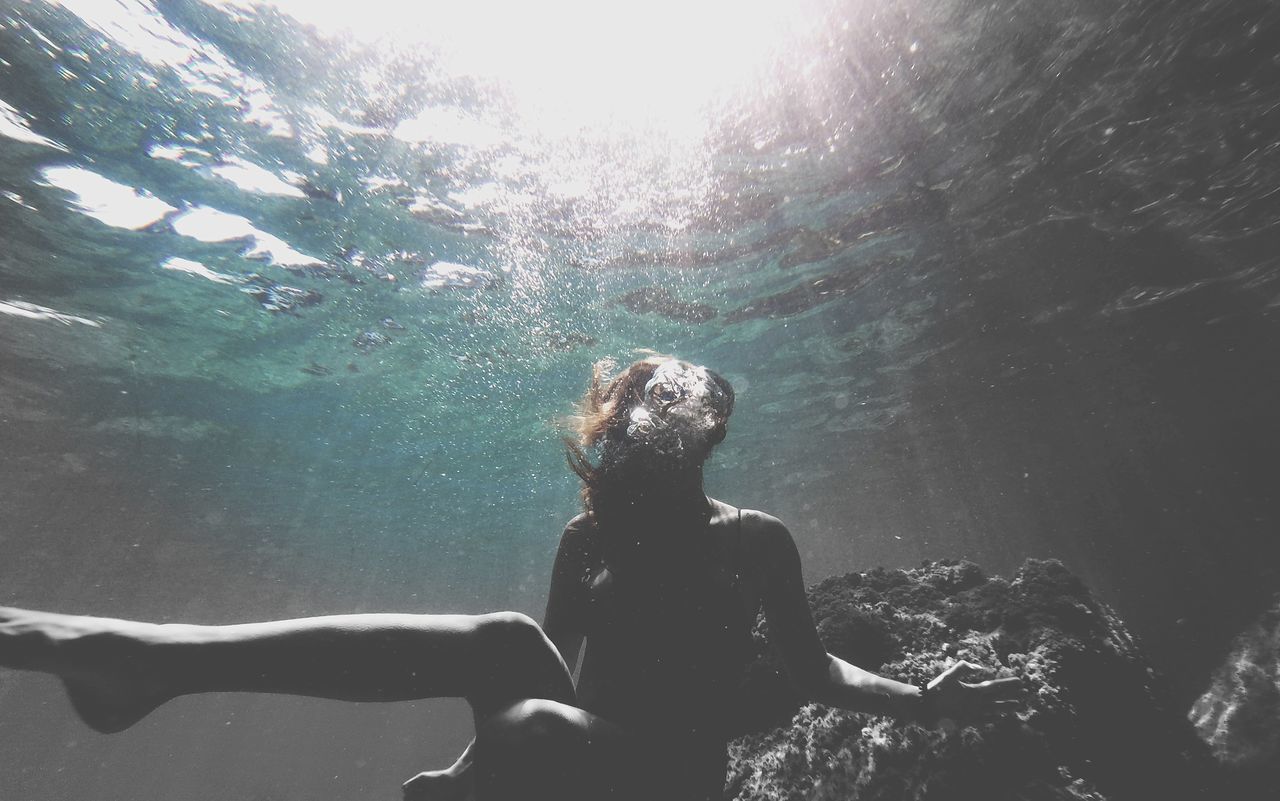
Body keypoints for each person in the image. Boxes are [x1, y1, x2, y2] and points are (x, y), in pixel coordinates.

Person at [0, 356, 1021, 801]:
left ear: (702, 443)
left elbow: (813, 671)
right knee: (502, 648)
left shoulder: (751, 540)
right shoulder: (587, 543)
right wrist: (468, 772)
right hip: (577, 756)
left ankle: (140, 666)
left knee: (530, 723)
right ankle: (143, 661)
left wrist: (925, 702)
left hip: (668, 788)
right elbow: (537, 674)